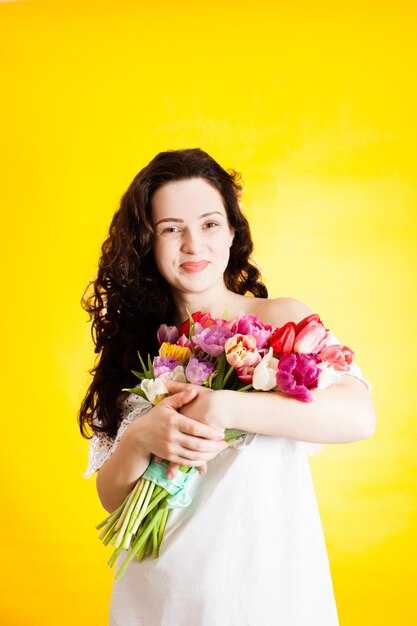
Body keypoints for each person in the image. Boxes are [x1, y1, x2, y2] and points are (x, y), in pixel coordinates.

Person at [80, 148, 376, 626]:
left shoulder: (277, 320)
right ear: (147, 242)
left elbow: (359, 415)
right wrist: (139, 438)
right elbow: (112, 498)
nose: (194, 244)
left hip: (263, 590)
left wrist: (225, 407)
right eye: (171, 228)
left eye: (210, 224)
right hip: (160, 593)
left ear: (233, 231)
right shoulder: (135, 349)